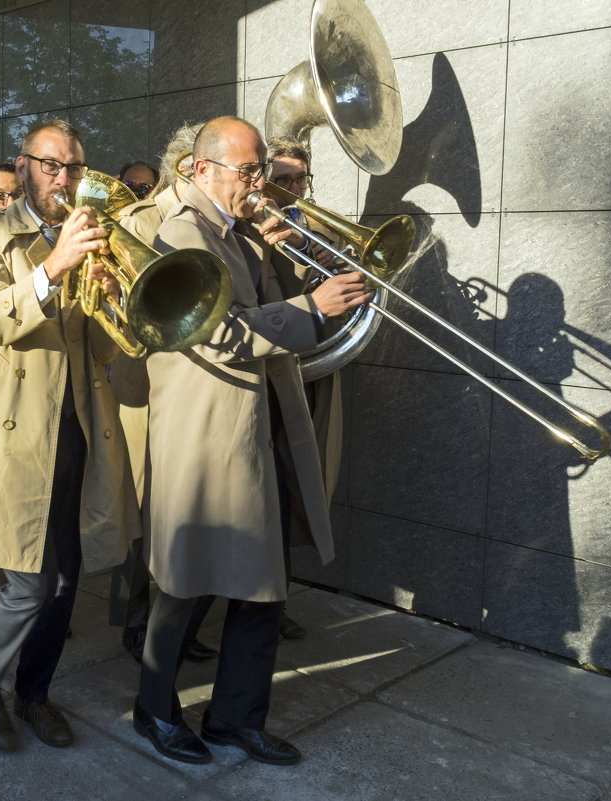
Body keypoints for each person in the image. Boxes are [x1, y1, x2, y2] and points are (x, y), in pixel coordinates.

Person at [133, 116, 372, 766]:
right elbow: (223, 335)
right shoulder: (184, 231)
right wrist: (315, 306)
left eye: (260, 168)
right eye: (248, 170)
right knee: (185, 585)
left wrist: (289, 261)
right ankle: (153, 708)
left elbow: (275, 315)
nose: (259, 181)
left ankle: (236, 715)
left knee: (264, 582)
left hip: (250, 431)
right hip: (206, 436)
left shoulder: (235, 232)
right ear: (200, 169)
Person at [0, 119, 139, 752]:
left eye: (74, 167)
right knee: (29, 579)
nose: (65, 179)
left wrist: (110, 298)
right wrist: (54, 266)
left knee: (68, 580)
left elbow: (104, 349)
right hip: (16, 425)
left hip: (77, 422)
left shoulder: (95, 236)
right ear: (22, 168)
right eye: (51, 166)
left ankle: (35, 693)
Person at [107, 123, 217, 664]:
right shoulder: (139, 219)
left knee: (181, 511)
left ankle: (173, 621)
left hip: (192, 385)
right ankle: (134, 620)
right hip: (143, 385)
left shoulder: (213, 220)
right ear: (188, 168)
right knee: (142, 507)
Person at [264, 134, 345, 641]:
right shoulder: (251, 230)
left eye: (300, 179)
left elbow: (351, 284)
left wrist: (326, 253)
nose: (294, 189)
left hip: (310, 375)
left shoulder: (317, 226)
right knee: (265, 496)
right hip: (266, 373)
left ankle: (275, 602)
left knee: (294, 493)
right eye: (283, 180)